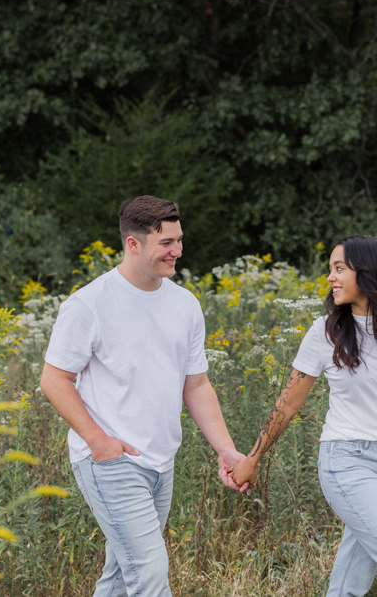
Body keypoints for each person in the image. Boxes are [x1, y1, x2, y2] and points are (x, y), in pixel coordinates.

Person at [39, 195, 246, 597]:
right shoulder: (89, 304)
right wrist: (98, 442)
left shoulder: (185, 304)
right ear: (133, 244)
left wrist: (226, 450)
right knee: (149, 573)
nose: (178, 251)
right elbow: (54, 379)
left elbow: (197, 385)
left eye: (179, 239)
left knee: (120, 575)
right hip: (111, 462)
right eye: (166, 243)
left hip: (161, 460)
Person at [230, 235, 377, 597]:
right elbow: (289, 403)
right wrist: (252, 458)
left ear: (370, 273)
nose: (330, 277)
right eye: (330, 268)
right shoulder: (325, 332)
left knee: (352, 578)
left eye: (339, 268)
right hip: (346, 461)